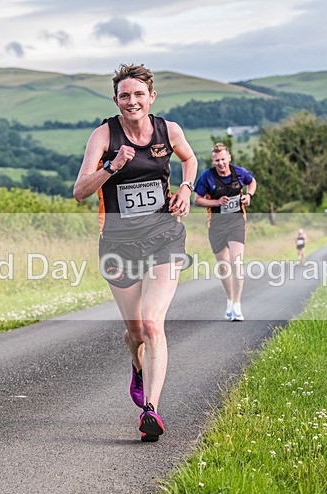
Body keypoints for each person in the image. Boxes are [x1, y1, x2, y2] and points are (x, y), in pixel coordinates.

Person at [73, 64, 197, 442]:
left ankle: (151, 411)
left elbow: (190, 160)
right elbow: (80, 191)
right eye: (125, 95)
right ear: (116, 100)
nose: (132, 101)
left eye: (139, 94)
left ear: (151, 97)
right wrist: (112, 165)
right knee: (135, 332)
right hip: (118, 245)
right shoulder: (103, 135)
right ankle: (137, 366)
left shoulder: (168, 130)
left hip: (164, 237)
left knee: (152, 322)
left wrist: (187, 189)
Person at [193, 143, 257, 321]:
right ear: (213, 161)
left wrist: (248, 196)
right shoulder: (207, 177)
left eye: (223, 159)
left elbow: (252, 182)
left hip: (236, 222)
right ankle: (230, 299)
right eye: (217, 160)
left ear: (229, 158)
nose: (221, 163)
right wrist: (217, 202)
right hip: (216, 225)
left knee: (237, 262)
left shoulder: (239, 172)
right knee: (224, 266)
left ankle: (237, 305)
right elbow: (197, 200)